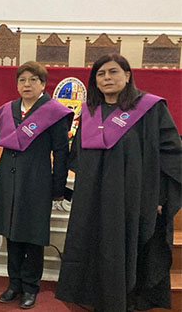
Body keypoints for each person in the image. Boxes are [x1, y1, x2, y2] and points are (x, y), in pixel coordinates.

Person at [55, 54, 181, 312]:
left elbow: (172, 153)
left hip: (133, 198)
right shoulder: (90, 113)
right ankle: (96, 297)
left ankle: (126, 300)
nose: (107, 78)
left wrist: (160, 198)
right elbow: (78, 157)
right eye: (100, 74)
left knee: (127, 247)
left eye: (113, 72)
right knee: (93, 244)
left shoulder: (150, 108)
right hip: (92, 198)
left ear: (127, 76)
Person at [0, 61, 73, 309]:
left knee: (33, 235)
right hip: (8, 179)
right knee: (11, 232)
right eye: (22, 80)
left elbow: (61, 152)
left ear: (43, 84)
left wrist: (58, 187)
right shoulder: (8, 109)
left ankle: (30, 287)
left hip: (37, 180)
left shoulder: (54, 112)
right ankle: (14, 283)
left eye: (33, 80)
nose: (27, 84)